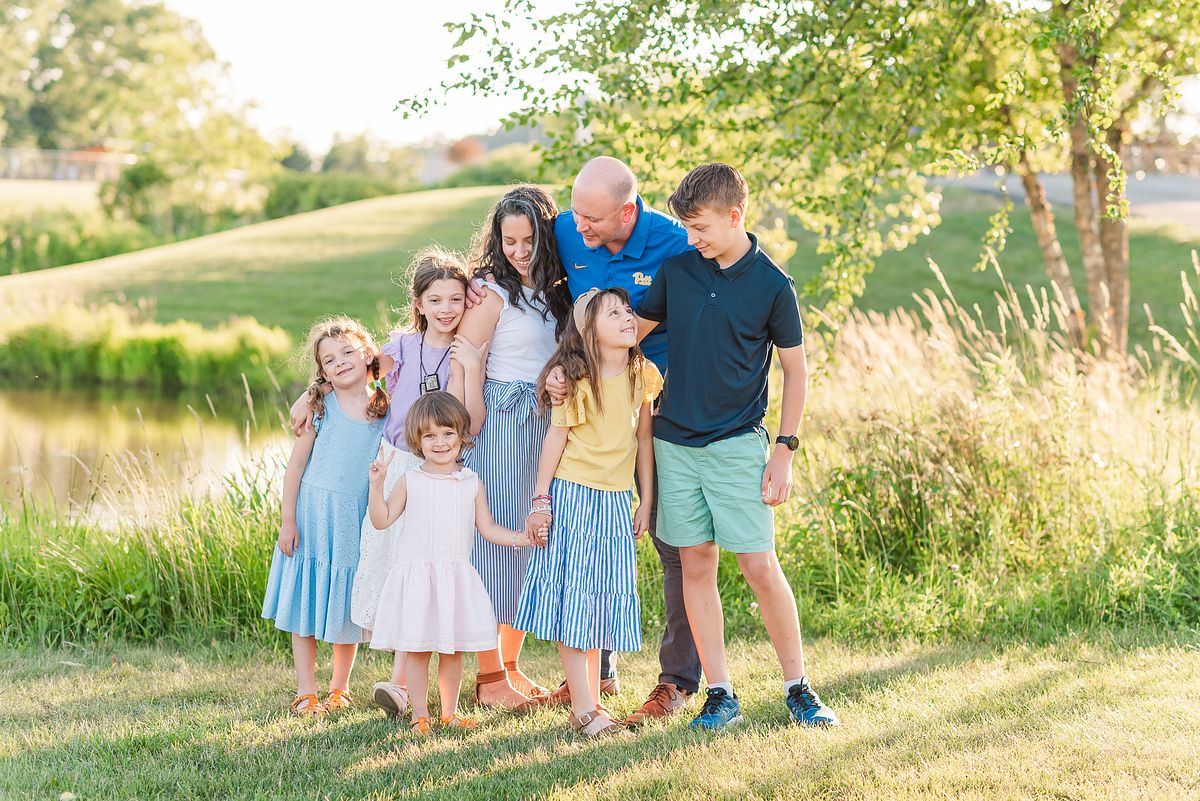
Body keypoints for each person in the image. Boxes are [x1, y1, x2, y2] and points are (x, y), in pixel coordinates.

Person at [636, 162, 839, 730]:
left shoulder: (773, 285)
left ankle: (798, 686)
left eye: (699, 227)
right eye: (686, 227)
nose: (692, 238)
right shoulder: (677, 270)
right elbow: (631, 333)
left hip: (737, 446)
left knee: (757, 563)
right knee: (695, 564)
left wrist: (785, 449)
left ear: (734, 215)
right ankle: (720, 692)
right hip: (674, 443)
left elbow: (796, 373)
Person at [533, 157, 701, 724]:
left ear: (628, 211)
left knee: (673, 541)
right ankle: (592, 677)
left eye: (593, 219)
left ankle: (676, 681)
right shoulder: (566, 228)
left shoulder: (676, 244)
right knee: (588, 547)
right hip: (587, 409)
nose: (578, 227)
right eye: (575, 213)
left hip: (658, 405)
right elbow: (513, 259)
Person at [288, 248, 471, 718]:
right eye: (436, 299)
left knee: (418, 567)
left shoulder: (464, 350)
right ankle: (386, 683)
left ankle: (398, 684)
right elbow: (357, 369)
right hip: (397, 469)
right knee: (389, 567)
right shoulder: (402, 349)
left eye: (456, 298)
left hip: (436, 469)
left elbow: (466, 414)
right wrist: (311, 395)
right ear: (419, 302)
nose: (447, 308)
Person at [514, 287, 661, 737]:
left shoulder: (644, 374)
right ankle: (584, 709)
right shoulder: (574, 379)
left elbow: (644, 441)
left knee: (598, 602)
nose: (626, 318)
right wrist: (540, 501)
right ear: (589, 331)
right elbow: (554, 441)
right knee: (576, 599)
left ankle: (593, 702)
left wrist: (646, 499)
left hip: (616, 500)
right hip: (574, 495)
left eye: (627, 311)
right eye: (612, 313)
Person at [450, 185, 570, 709]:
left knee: (528, 543)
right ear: (498, 241)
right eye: (510, 240)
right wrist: (470, 428)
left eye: (529, 240)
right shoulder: (491, 292)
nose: (520, 251)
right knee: (491, 550)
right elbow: (464, 363)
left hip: (543, 423)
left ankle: (510, 666)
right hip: (498, 425)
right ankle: (488, 677)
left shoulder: (558, 291)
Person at [366, 392, 546, 734]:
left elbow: (488, 528)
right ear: (417, 441)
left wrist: (520, 538)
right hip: (419, 576)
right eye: (430, 435)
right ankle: (421, 713)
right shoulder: (410, 480)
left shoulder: (471, 482)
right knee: (418, 650)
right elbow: (382, 519)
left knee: (453, 650)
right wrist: (377, 486)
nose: (440, 442)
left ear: (461, 436)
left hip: (455, 576)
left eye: (448, 433)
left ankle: (449, 712)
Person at [262, 316, 389, 717]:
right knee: (307, 601)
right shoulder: (320, 409)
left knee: (344, 603)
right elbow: (295, 469)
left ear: (367, 355)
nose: (340, 362)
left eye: (348, 353)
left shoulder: (385, 409)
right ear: (323, 374)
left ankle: (339, 687)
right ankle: (306, 690)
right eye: (330, 361)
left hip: (355, 520)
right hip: (314, 517)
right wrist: (288, 520)